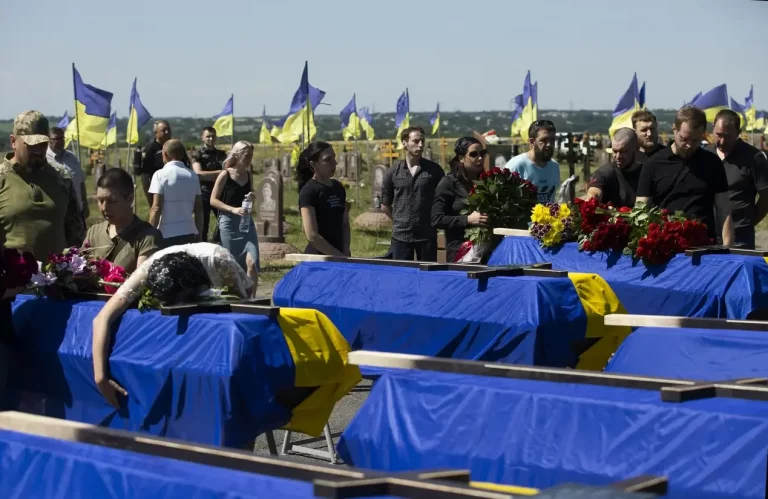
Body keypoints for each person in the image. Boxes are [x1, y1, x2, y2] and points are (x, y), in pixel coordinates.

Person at [91, 243, 255, 408]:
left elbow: (241, 310)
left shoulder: (219, 261)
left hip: (215, 269)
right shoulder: (146, 271)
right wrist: (100, 377)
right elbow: (102, 318)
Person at [636, 106, 733, 245]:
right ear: (674, 129)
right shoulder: (653, 165)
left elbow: (724, 210)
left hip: (703, 246)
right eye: (684, 138)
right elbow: (641, 210)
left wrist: (728, 248)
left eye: (695, 140)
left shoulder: (712, 163)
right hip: (665, 247)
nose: (689, 145)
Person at [0, 110, 84, 258]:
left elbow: (76, 234)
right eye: (31, 145)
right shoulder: (2, 179)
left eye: (43, 144)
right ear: (13, 142)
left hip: (57, 278)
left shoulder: (61, 178)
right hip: (12, 279)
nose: (38, 150)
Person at [706, 109, 768, 249]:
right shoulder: (705, 155)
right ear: (712, 127)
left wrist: (748, 222)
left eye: (727, 136)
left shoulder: (753, 158)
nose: (721, 141)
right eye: (718, 135)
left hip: (740, 237)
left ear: (738, 133)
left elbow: (766, 198)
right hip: (707, 236)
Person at [382, 126, 445, 261]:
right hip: (401, 235)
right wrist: (399, 220)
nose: (420, 145)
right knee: (402, 276)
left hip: (427, 234)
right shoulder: (393, 172)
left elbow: (443, 199)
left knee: (428, 275)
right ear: (404, 143)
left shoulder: (434, 171)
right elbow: (385, 204)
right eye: (416, 141)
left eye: (422, 141)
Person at [84, 169, 163, 273]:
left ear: (130, 199)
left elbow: (141, 282)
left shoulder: (147, 238)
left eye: (111, 201)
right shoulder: (94, 232)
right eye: (100, 200)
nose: (104, 208)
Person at [431, 137, 488, 262]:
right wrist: (468, 219)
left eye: (482, 154)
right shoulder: (448, 183)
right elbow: (436, 219)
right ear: (461, 158)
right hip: (461, 253)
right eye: (473, 154)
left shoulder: (487, 182)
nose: (479, 158)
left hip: (486, 252)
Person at [210, 141, 260, 281]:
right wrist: (233, 209)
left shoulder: (249, 175)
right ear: (237, 155)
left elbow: (250, 198)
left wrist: (252, 198)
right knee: (234, 265)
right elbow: (213, 200)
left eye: (251, 155)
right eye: (247, 156)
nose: (250, 159)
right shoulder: (225, 174)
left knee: (252, 262)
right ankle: (239, 296)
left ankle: (252, 300)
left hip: (246, 223)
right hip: (228, 223)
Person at [296, 142, 350, 256]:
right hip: (320, 259)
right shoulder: (308, 191)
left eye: (334, 158)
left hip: (341, 256)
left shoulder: (338, 187)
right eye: (328, 159)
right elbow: (312, 235)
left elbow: (344, 224)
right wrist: (337, 255)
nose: (334, 163)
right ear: (313, 165)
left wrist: (345, 252)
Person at [148, 139, 203, 247]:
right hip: (189, 232)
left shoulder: (159, 175)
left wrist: (149, 235)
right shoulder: (193, 176)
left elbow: (156, 208)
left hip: (165, 234)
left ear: (164, 154)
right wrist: (199, 234)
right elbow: (199, 209)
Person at [504, 120, 560, 203]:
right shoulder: (516, 165)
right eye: (544, 140)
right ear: (532, 141)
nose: (549, 144)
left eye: (552, 140)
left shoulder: (554, 166)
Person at [586, 128, 643, 207]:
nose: (618, 156)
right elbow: (593, 194)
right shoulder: (604, 173)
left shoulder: (646, 174)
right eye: (615, 151)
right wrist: (591, 202)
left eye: (623, 151)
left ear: (636, 149)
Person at [191, 127, 227, 242]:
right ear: (202, 138)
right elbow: (198, 174)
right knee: (203, 225)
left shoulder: (222, 154)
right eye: (208, 136)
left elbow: (228, 172)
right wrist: (220, 173)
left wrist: (211, 175)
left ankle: (220, 245)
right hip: (203, 193)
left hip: (219, 193)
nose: (211, 139)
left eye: (213, 136)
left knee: (224, 222)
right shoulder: (197, 155)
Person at [46, 127, 89, 220]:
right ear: (49, 140)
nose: (61, 141)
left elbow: (81, 182)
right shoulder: (44, 160)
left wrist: (85, 204)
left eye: (62, 138)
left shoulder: (71, 157)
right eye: (57, 139)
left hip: (77, 212)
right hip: (57, 215)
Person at [137, 120, 172, 208]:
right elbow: (145, 175)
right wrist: (150, 195)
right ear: (155, 133)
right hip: (158, 188)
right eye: (163, 130)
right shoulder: (150, 149)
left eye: (168, 130)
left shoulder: (174, 146)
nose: (167, 132)